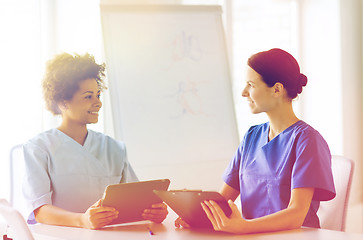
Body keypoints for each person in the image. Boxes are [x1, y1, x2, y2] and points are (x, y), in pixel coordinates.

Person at [175, 48, 336, 234]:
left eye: (251, 85)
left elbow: (296, 214)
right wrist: (198, 216)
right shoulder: (251, 136)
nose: (244, 93)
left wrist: (245, 227)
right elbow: (223, 200)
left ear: (277, 89)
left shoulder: (307, 140)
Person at [23, 53, 168, 229]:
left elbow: (135, 200)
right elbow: (39, 210)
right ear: (63, 102)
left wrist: (153, 211)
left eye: (98, 95)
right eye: (88, 96)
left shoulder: (114, 148)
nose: (98, 103)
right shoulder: (39, 148)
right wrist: (82, 221)